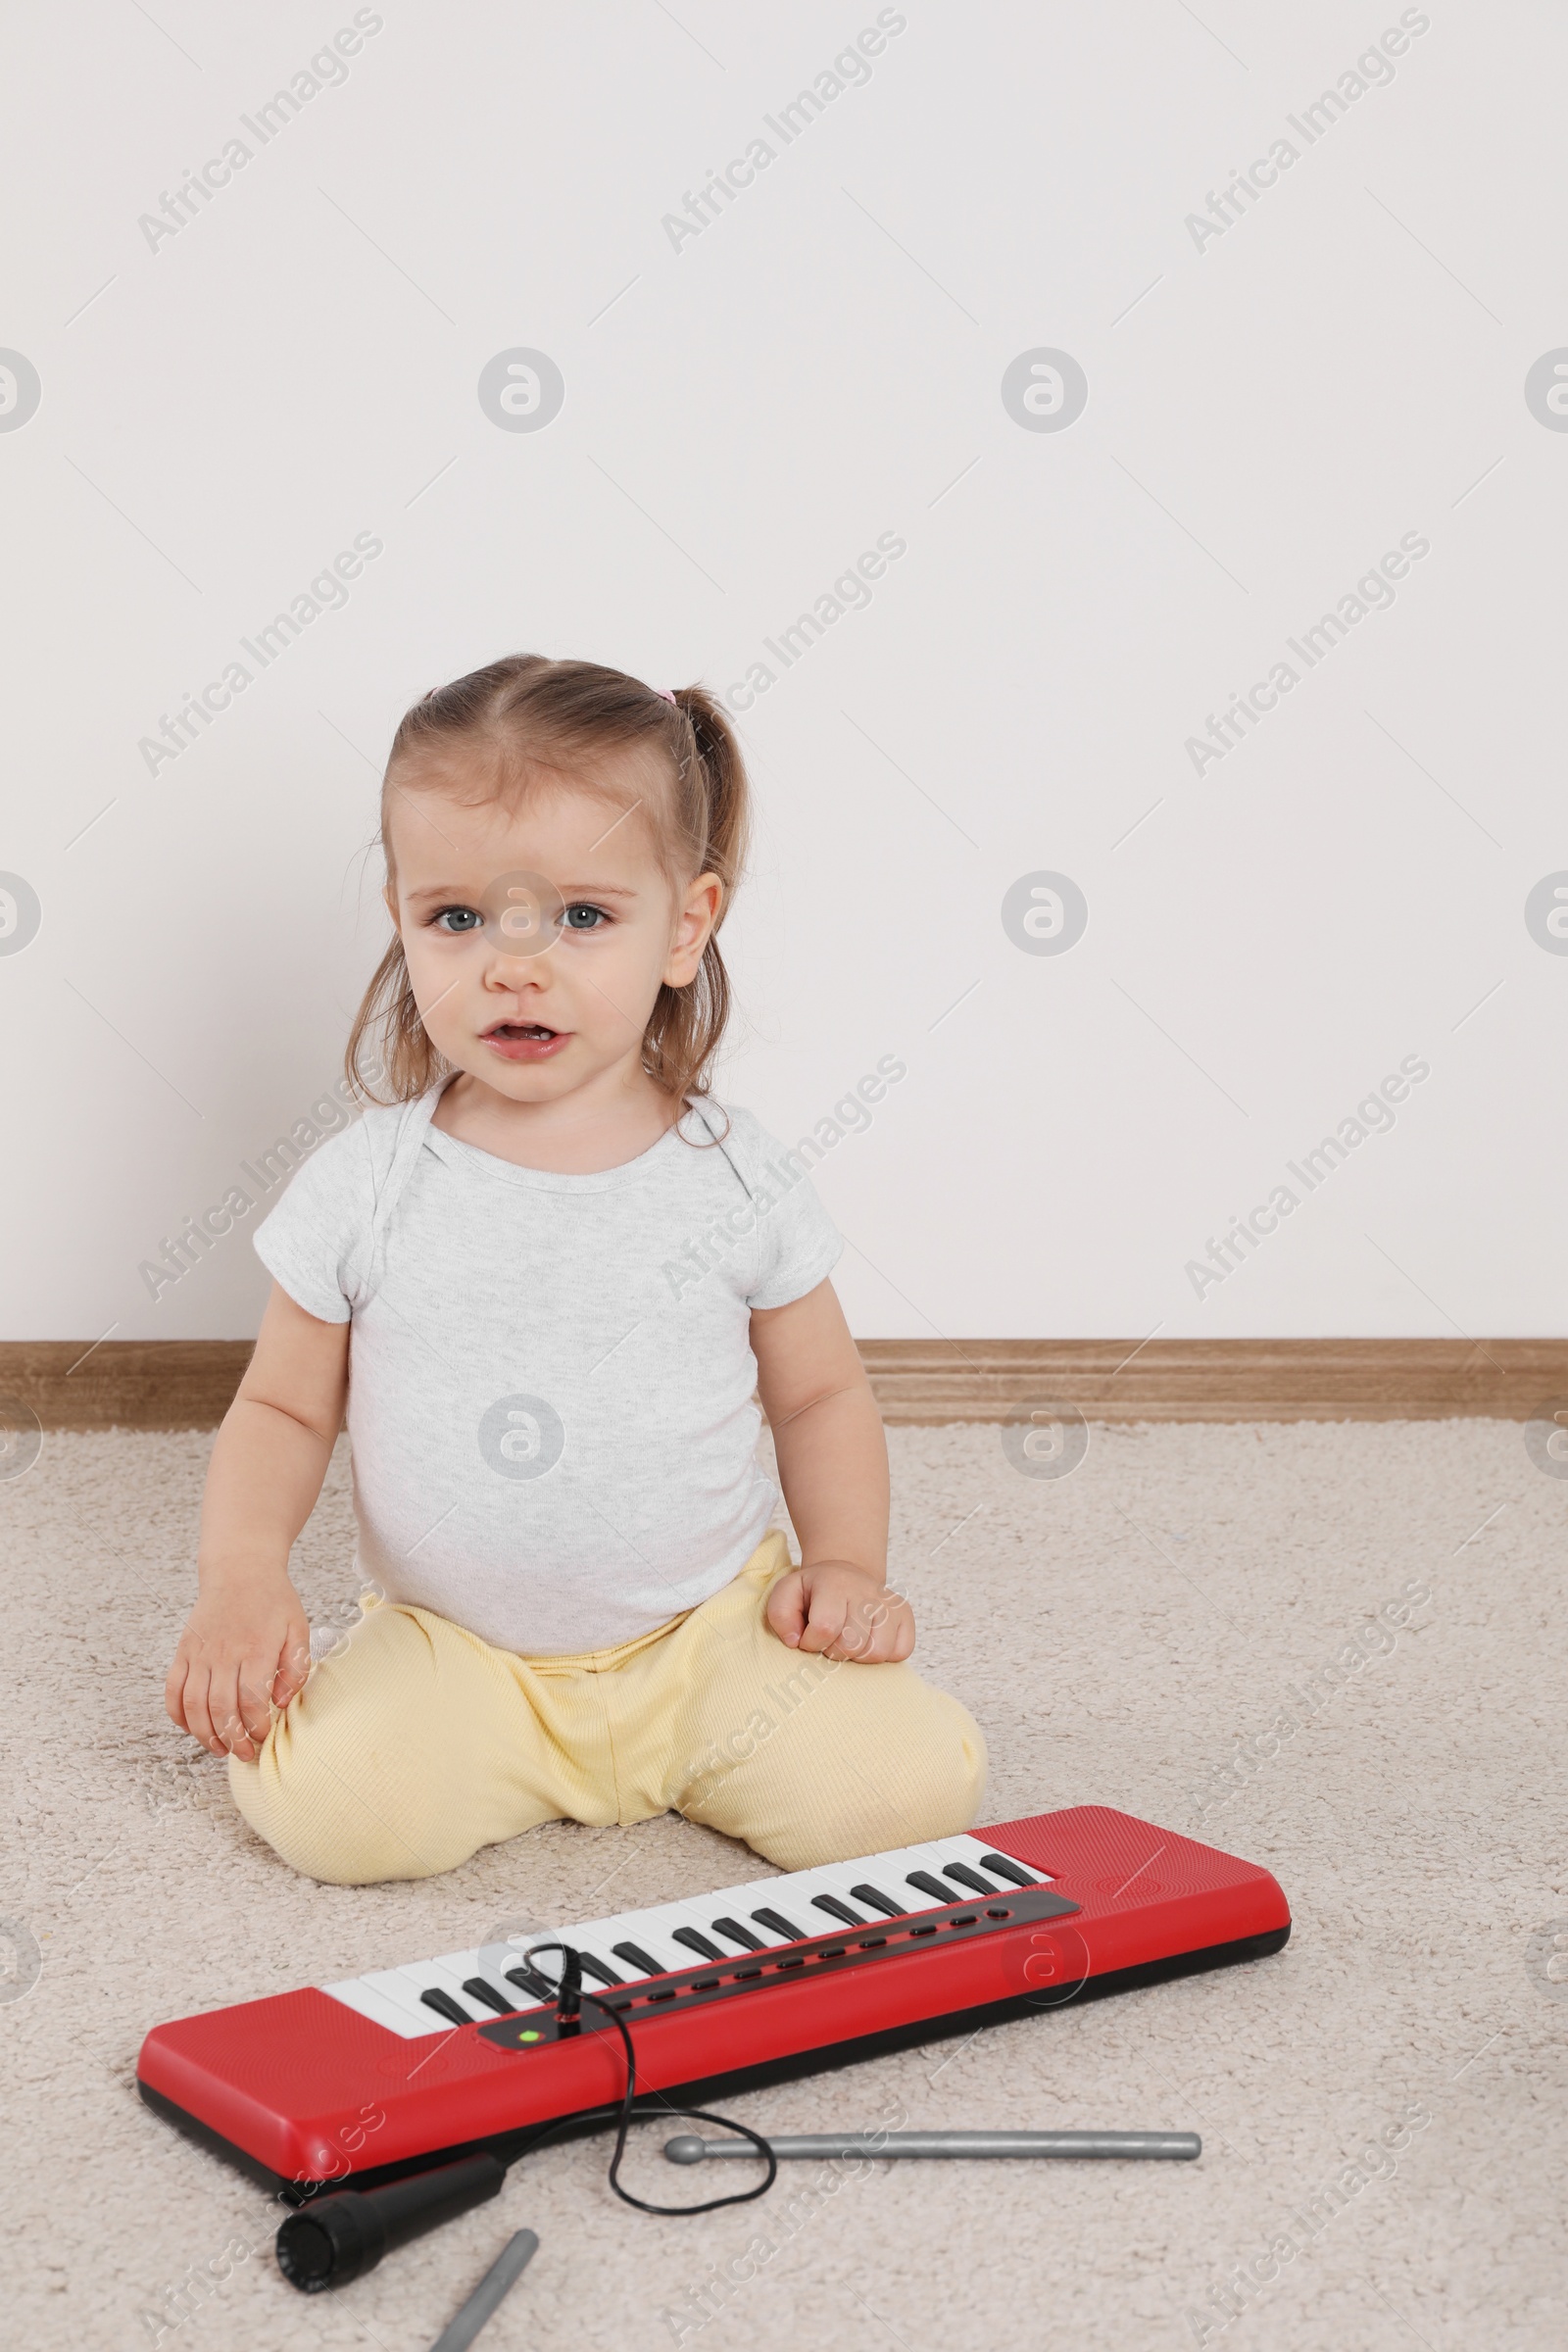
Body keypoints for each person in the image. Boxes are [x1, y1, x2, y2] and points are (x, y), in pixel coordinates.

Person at [164, 656, 985, 1885]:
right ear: (400, 915)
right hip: (461, 1651)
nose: (514, 964)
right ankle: (490, 1749)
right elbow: (282, 1406)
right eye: (457, 918)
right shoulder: (366, 1182)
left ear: (685, 927)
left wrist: (846, 1569)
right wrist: (241, 1580)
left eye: (583, 917)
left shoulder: (735, 1176)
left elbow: (819, 1396)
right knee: (338, 1811)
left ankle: (705, 1744)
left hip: (709, 1640)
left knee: (911, 1785)